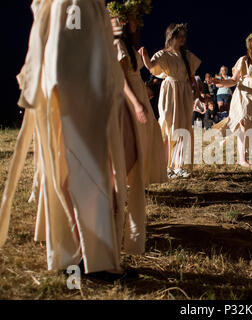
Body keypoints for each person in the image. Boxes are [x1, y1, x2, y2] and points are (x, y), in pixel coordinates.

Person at [0, 0, 137, 278]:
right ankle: (96, 260)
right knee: (89, 166)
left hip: (63, 75)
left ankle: (78, 251)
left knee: (71, 166)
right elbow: (76, 38)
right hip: (78, 78)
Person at [208, 29, 252, 166]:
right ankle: (243, 158)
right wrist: (219, 82)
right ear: (250, 43)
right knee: (244, 125)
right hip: (245, 95)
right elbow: (234, 80)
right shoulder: (244, 60)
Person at [138, 23, 202, 178]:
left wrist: (198, 94)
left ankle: (178, 165)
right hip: (170, 90)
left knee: (183, 127)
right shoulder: (163, 54)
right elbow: (152, 67)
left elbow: (192, 77)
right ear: (171, 37)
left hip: (185, 91)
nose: (183, 39)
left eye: (184, 36)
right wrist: (145, 56)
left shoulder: (186, 55)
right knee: (169, 125)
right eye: (179, 36)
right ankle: (165, 165)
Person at [112, 12, 168, 187]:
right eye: (133, 19)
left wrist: (144, 90)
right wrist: (136, 104)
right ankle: (125, 180)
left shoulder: (129, 45)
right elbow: (121, 77)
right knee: (132, 138)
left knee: (146, 135)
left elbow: (134, 74)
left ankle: (136, 179)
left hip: (138, 91)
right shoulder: (119, 44)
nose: (137, 22)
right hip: (128, 97)